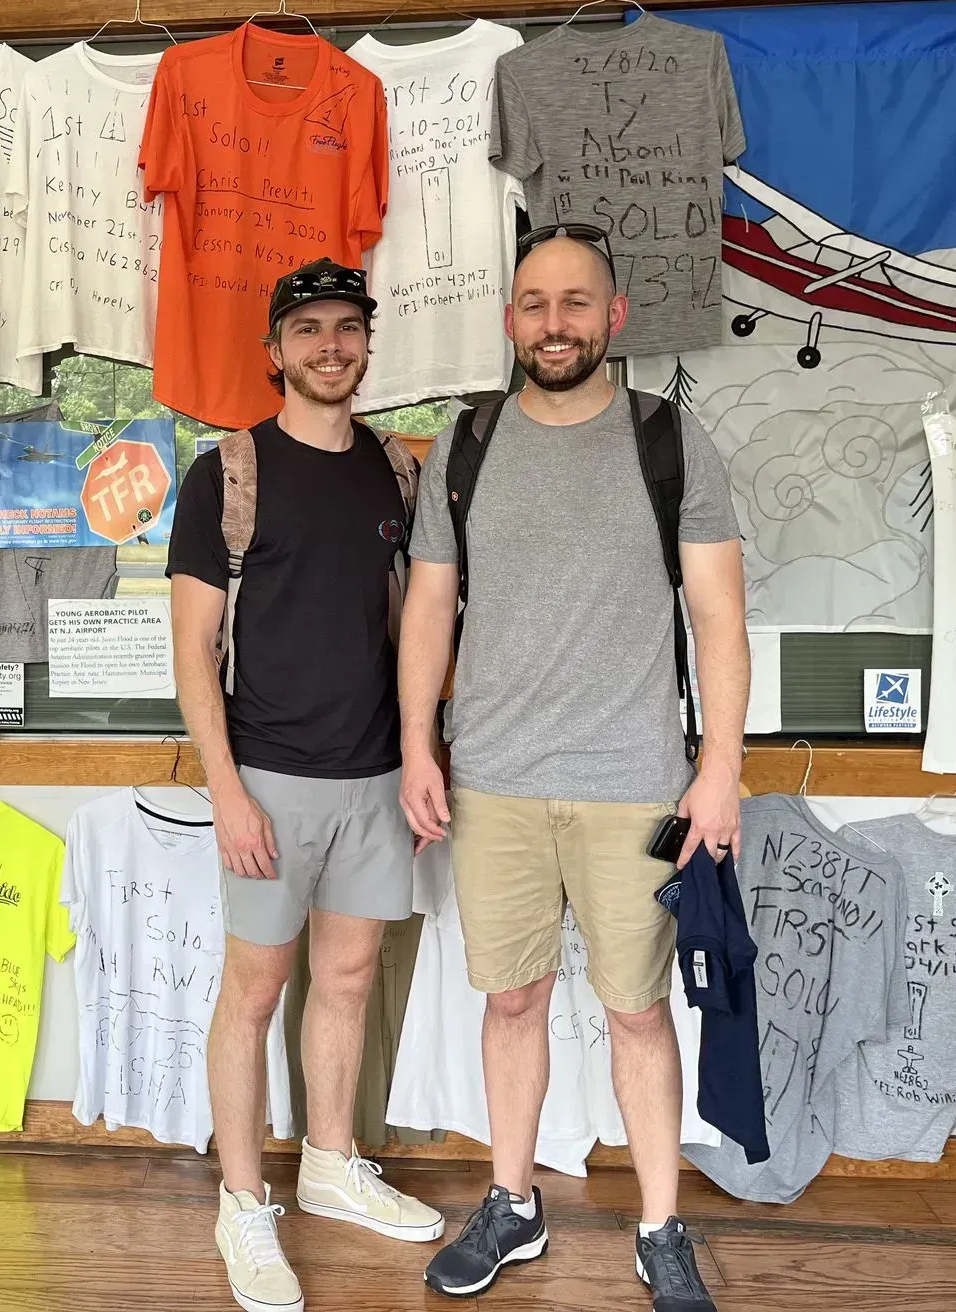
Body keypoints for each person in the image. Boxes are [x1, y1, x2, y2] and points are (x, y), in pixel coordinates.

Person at [401, 227, 749, 1312]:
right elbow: (426, 608)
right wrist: (419, 742)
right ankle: (512, 1203)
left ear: (614, 317)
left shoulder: (670, 443)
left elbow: (720, 618)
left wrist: (721, 769)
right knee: (512, 1001)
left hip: (635, 786)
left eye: (577, 302)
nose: (556, 322)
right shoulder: (466, 446)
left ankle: (660, 1225)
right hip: (494, 781)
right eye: (536, 303)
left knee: (639, 1010)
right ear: (512, 321)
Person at [169, 259, 445, 1312]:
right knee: (253, 992)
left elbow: (419, 627)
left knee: (346, 980)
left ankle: (329, 1164)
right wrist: (228, 793)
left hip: (375, 774)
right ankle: (245, 1203)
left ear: (366, 345)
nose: (332, 346)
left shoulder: (396, 473)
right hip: (269, 781)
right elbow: (194, 651)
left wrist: (423, 757)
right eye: (311, 330)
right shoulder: (227, 474)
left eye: (348, 329)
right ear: (275, 350)